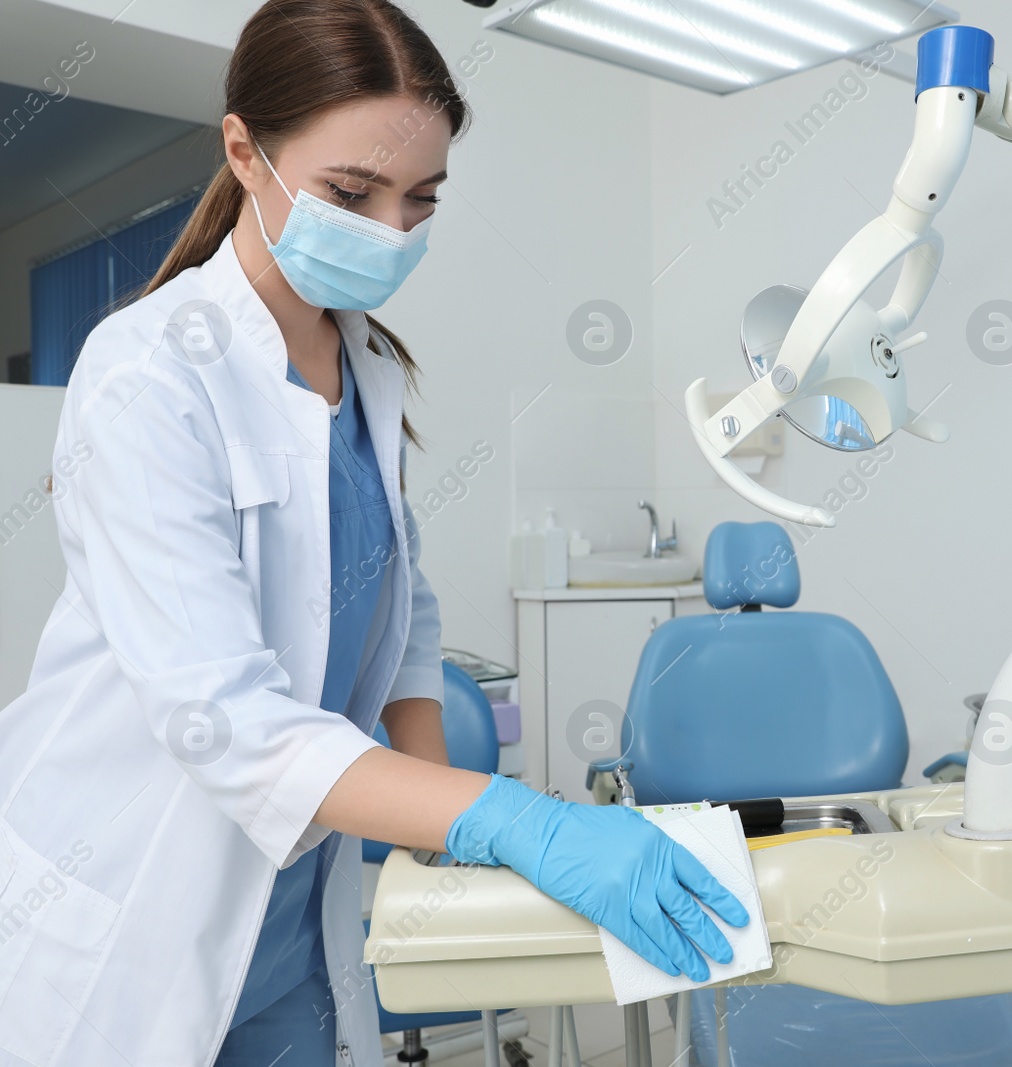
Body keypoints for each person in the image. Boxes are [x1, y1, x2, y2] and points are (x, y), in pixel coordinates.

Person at [0, 2, 746, 1064]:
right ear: (243, 151)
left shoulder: (370, 366)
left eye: (420, 200)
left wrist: (438, 826)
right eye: (351, 194)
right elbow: (226, 718)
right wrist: (508, 816)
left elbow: (404, 610)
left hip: (294, 922)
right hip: (130, 900)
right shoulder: (148, 372)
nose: (391, 231)